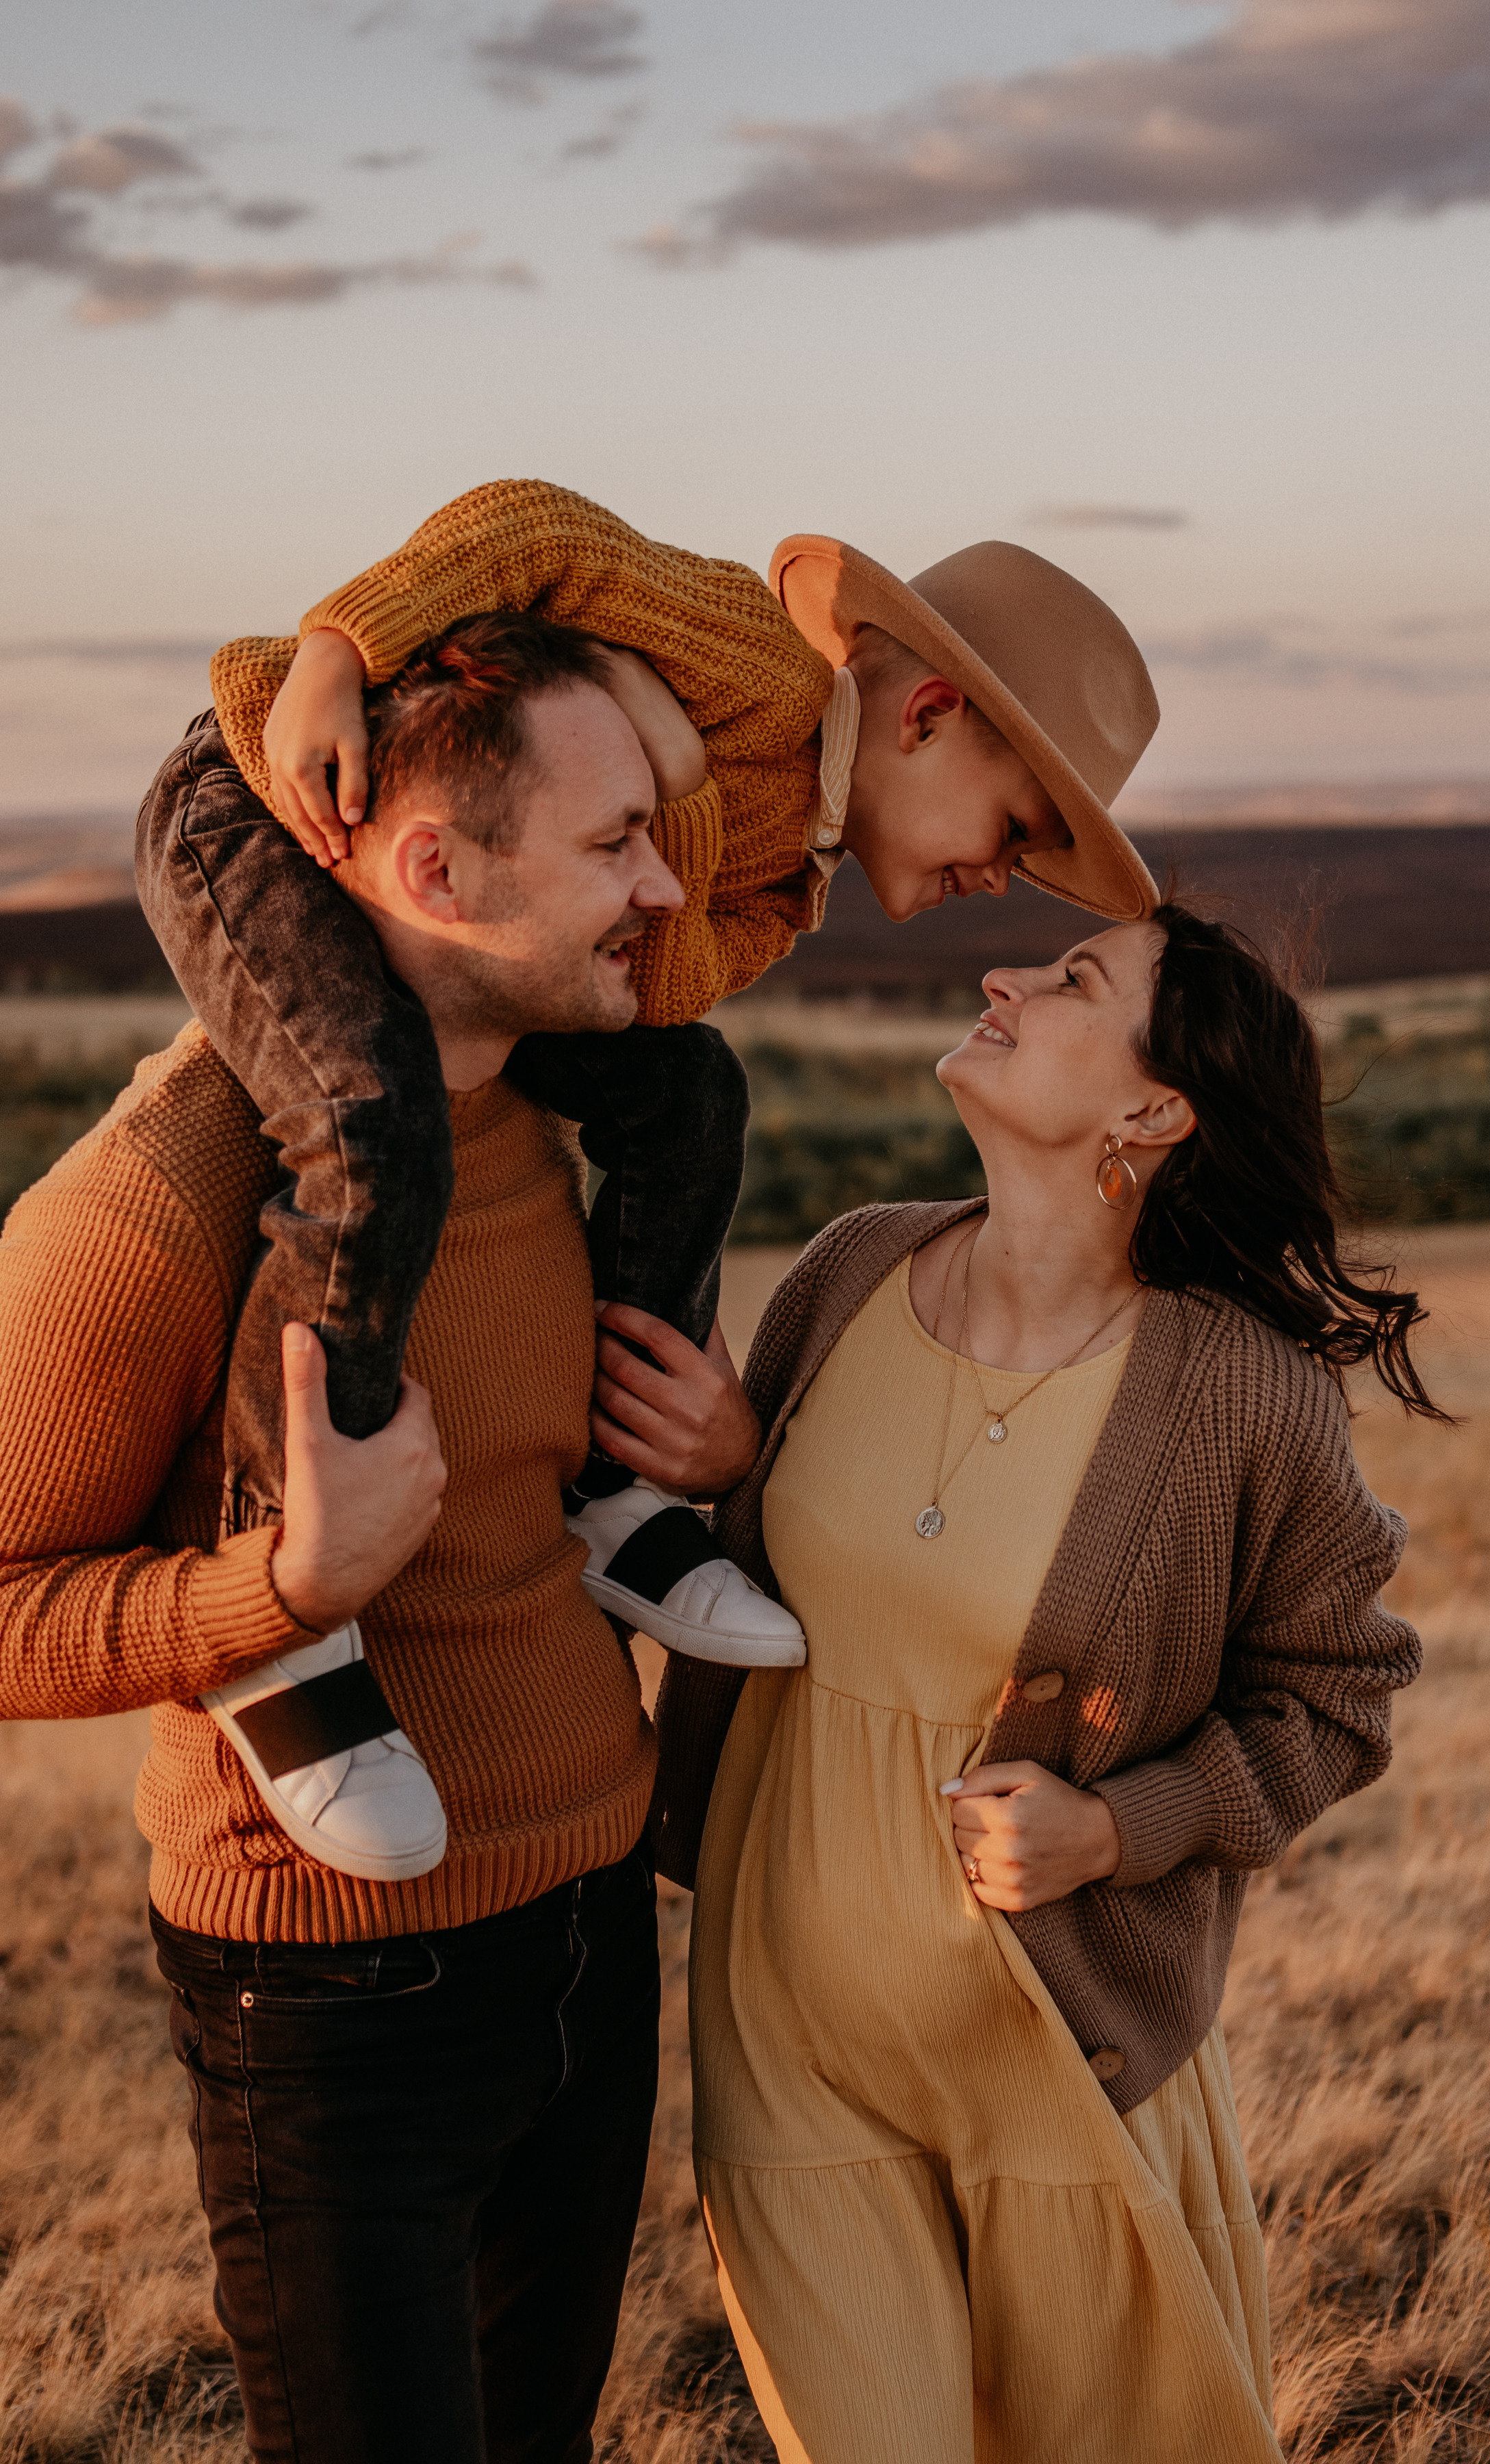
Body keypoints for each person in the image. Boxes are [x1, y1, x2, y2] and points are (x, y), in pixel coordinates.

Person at [134, 477, 1164, 1881]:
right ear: (925, 720)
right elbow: (531, 529)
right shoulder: (748, 661)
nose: (1008, 877)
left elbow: (620, 996)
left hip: (442, 907)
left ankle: (621, 1486)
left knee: (691, 1095)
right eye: (1017, 825)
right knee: (366, 1121)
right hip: (269, 803)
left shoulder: (781, 888)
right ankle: (288, 1613)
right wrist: (336, 654)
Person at [0, 612, 721, 2464]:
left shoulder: (568, 1118)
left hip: (586, 1924)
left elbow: (533, 1496)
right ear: (428, 868)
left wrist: (706, 1460)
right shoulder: (174, 1188)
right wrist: (282, 1595)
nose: (661, 888)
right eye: (610, 846)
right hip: (334, 1988)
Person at [607, 882, 1437, 2458]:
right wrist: (737, 1464)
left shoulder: (1235, 1400)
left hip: (1054, 2069)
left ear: (1151, 1105)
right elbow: (791, 1583)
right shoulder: (848, 1273)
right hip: (792, 2054)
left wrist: (1117, 1827)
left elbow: (1337, 1695)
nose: (998, 974)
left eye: (1066, 978)